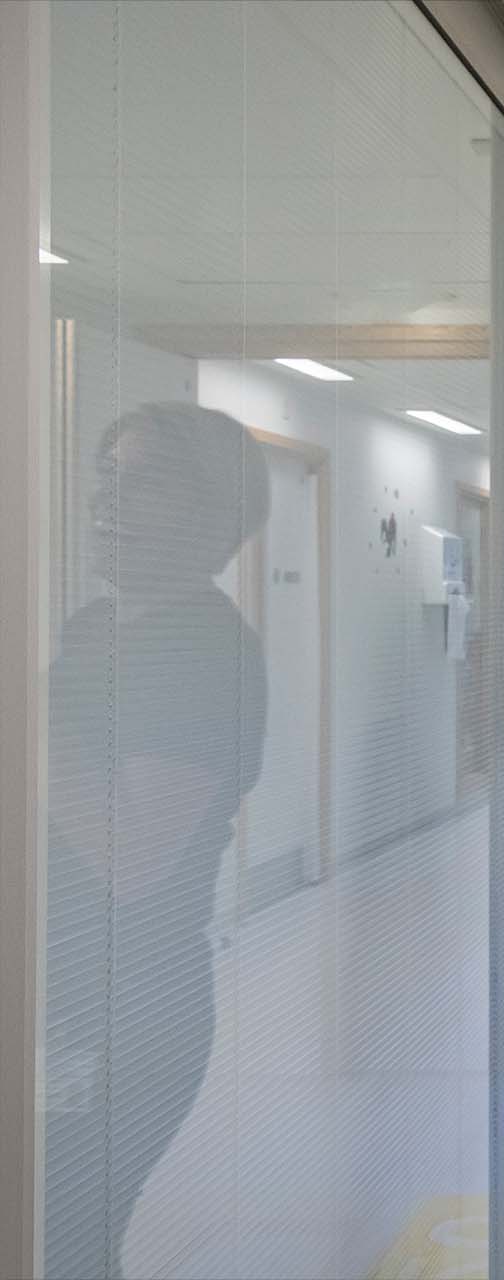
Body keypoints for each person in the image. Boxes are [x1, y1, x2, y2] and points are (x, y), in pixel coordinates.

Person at [45, 404, 269, 1278]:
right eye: (107, 474)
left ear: (212, 513)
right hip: (56, 982)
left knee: (63, 1237)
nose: (109, 500)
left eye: (143, 482)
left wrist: (27, 712)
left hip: (121, 1007)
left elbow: (129, 862)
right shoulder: (91, 630)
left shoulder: (207, 651)